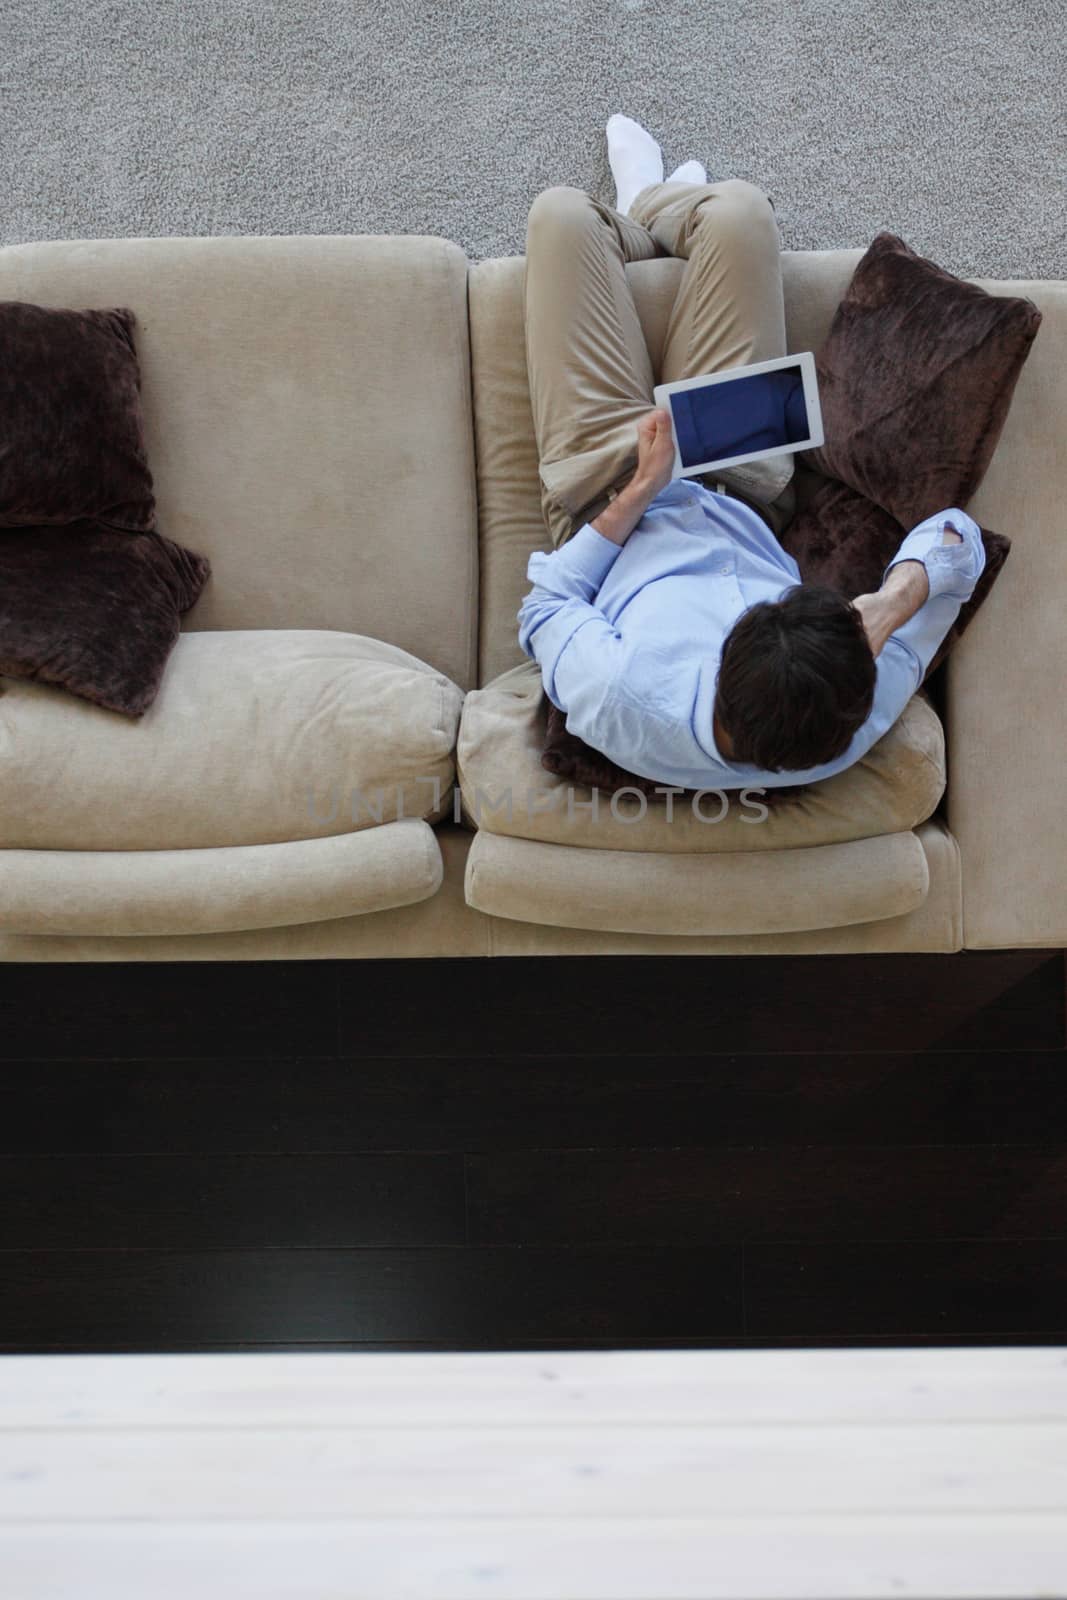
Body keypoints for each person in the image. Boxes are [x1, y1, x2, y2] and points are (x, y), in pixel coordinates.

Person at [516, 113, 985, 790]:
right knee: (741, 213)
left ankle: (632, 208)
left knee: (560, 218)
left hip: (609, 492)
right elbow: (956, 542)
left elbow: (546, 606)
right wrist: (886, 606)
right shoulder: (848, 710)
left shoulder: (620, 692)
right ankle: (650, 204)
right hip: (739, 486)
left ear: (719, 665)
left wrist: (641, 490)